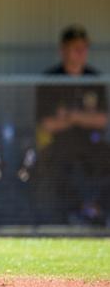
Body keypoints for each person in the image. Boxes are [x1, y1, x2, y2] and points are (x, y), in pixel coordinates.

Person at [34, 24, 110, 225]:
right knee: (58, 169)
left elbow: (103, 120)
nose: (81, 52)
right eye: (75, 47)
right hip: (58, 146)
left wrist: (71, 115)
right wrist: (85, 117)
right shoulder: (50, 79)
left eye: (83, 48)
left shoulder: (94, 78)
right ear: (63, 50)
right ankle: (70, 217)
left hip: (91, 146)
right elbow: (47, 124)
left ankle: (95, 212)